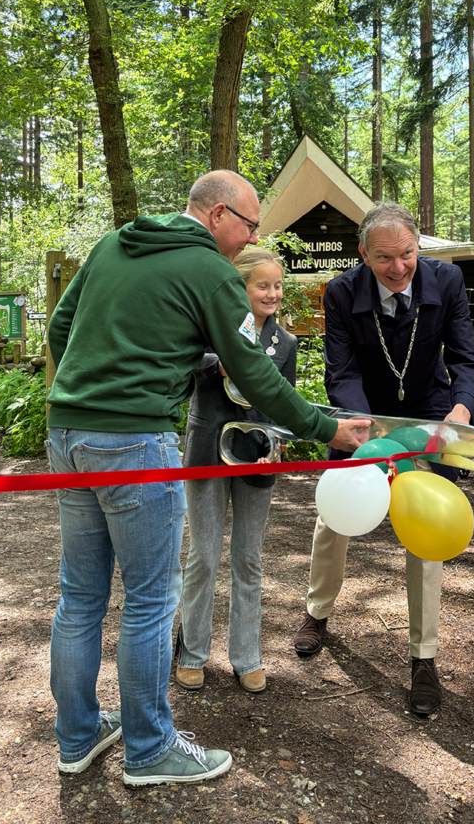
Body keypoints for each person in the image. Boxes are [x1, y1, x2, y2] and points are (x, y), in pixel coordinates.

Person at [46, 170, 369, 788]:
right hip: (136, 440)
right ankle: (148, 749)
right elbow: (255, 376)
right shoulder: (213, 274)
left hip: (68, 432)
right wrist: (325, 429)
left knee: (80, 596)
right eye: (249, 224)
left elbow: (62, 328)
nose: (252, 237)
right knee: (148, 601)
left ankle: (79, 735)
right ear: (219, 214)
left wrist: (81, 390)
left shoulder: (115, 243)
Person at [292, 201, 474, 716]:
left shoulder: (447, 282)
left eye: (408, 254)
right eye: (384, 259)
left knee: (424, 527)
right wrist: (362, 429)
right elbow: (341, 368)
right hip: (359, 417)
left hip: (429, 417)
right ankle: (317, 612)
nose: (398, 268)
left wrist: (461, 412)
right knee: (333, 518)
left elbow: (466, 359)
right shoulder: (340, 292)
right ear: (362, 254)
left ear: (418, 247)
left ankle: (423, 656)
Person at [176, 248, 294, 695]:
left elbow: (285, 403)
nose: (272, 293)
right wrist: (214, 362)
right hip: (207, 451)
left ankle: (247, 657)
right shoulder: (211, 330)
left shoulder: (287, 345)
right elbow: (181, 364)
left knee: (249, 558)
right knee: (203, 556)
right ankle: (191, 652)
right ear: (240, 287)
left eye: (277, 285)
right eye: (262, 285)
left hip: (256, 455)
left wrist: (277, 446)